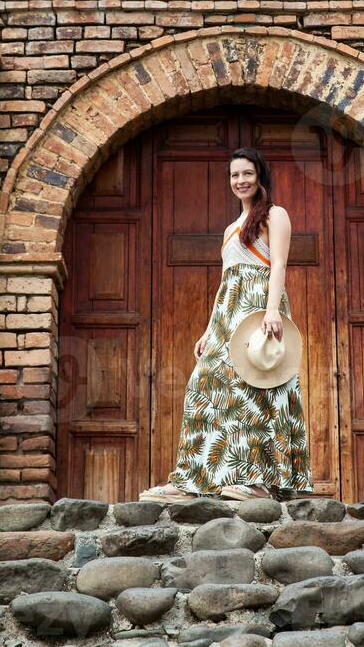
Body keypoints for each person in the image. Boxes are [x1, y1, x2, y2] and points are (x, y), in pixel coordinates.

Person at [139, 147, 314, 503]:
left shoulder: (275, 215)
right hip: (227, 316)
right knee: (202, 387)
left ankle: (259, 482)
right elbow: (225, 281)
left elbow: (278, 264)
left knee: (257, 390)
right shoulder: (231, 228)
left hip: (259, 309)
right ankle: (190, 479)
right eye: (234, 175)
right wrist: (208, 329)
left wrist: (272, 311)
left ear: (259, 175)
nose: (240, 181)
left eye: (247, 173)